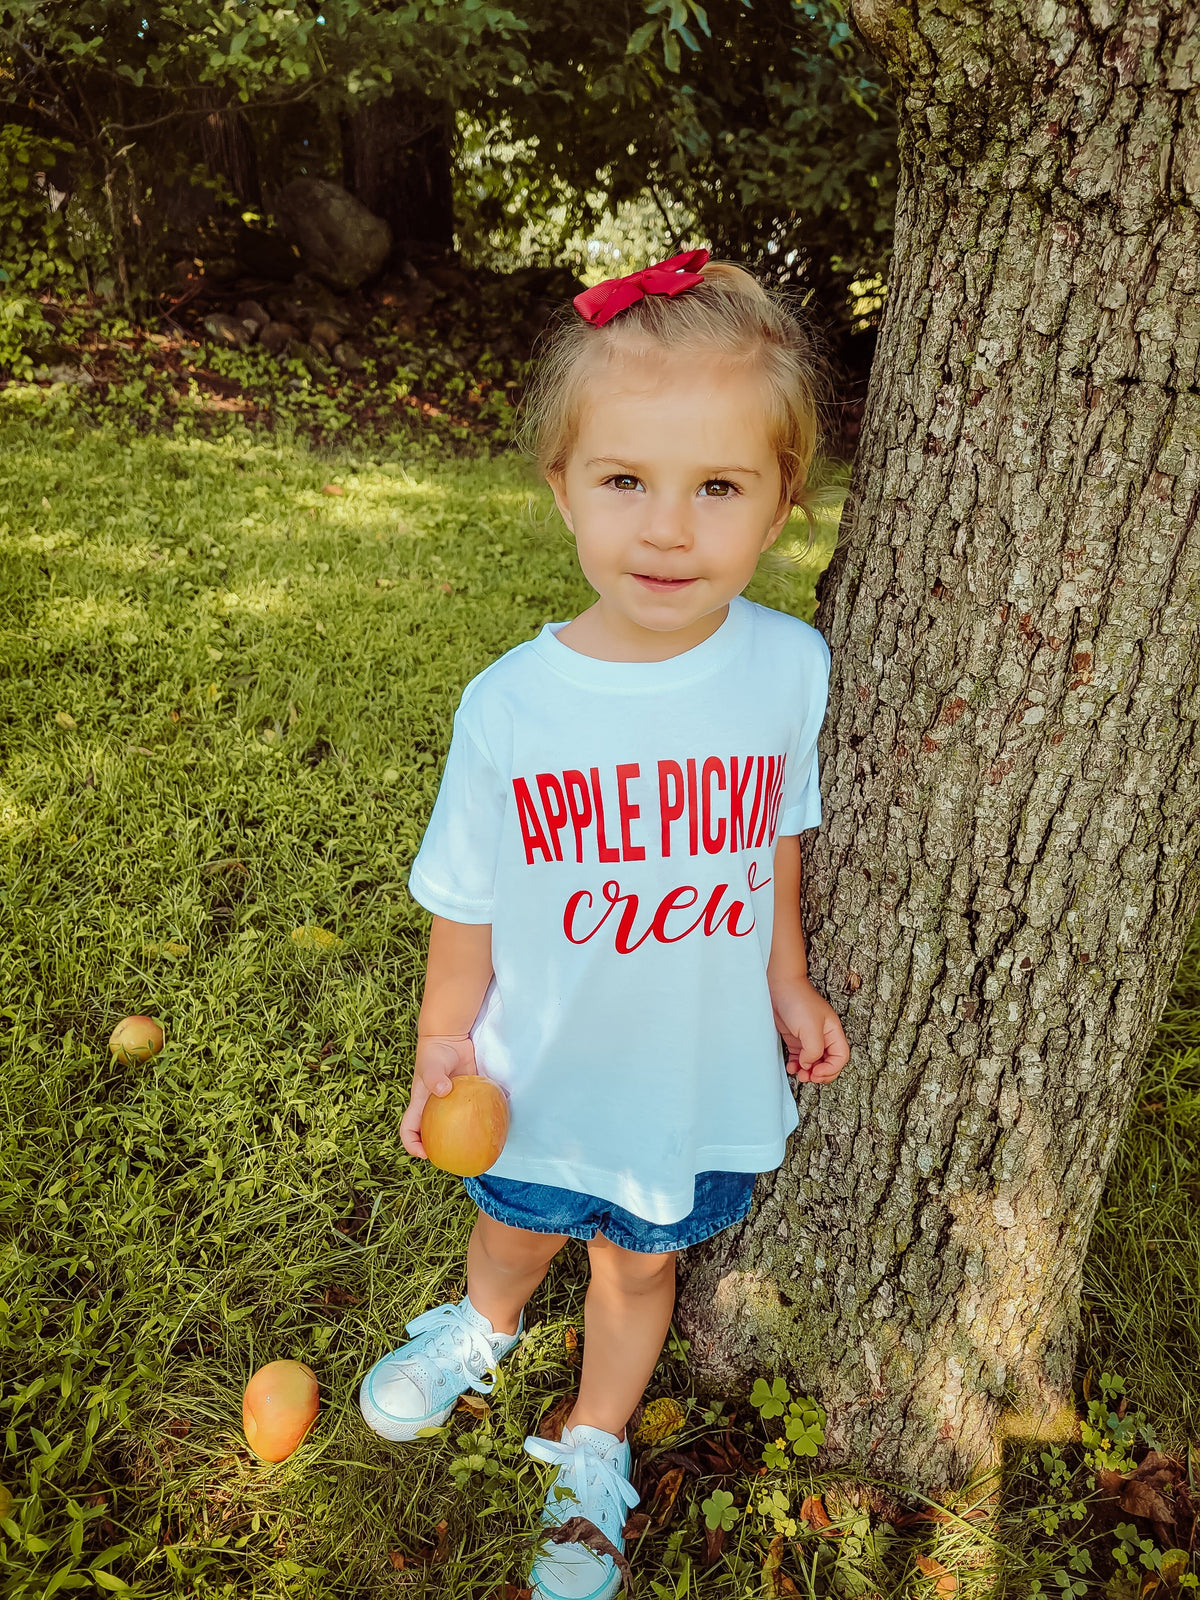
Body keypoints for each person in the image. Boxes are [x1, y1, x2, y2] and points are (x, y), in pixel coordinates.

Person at [358, 249, 851, 1600]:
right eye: (625, 479)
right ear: (562, 486)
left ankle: (591, 1448)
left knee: (639, 1273)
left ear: (778, 509)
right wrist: (442, 1045)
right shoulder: (513, 706)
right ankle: (480, 1323)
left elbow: (778, 840)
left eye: (718, 489)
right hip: (539, 1072)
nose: (669, 530)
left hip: (687, 1078)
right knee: (516, 1228)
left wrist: (790, 985)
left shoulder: (789, 670)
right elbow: (465, 899)